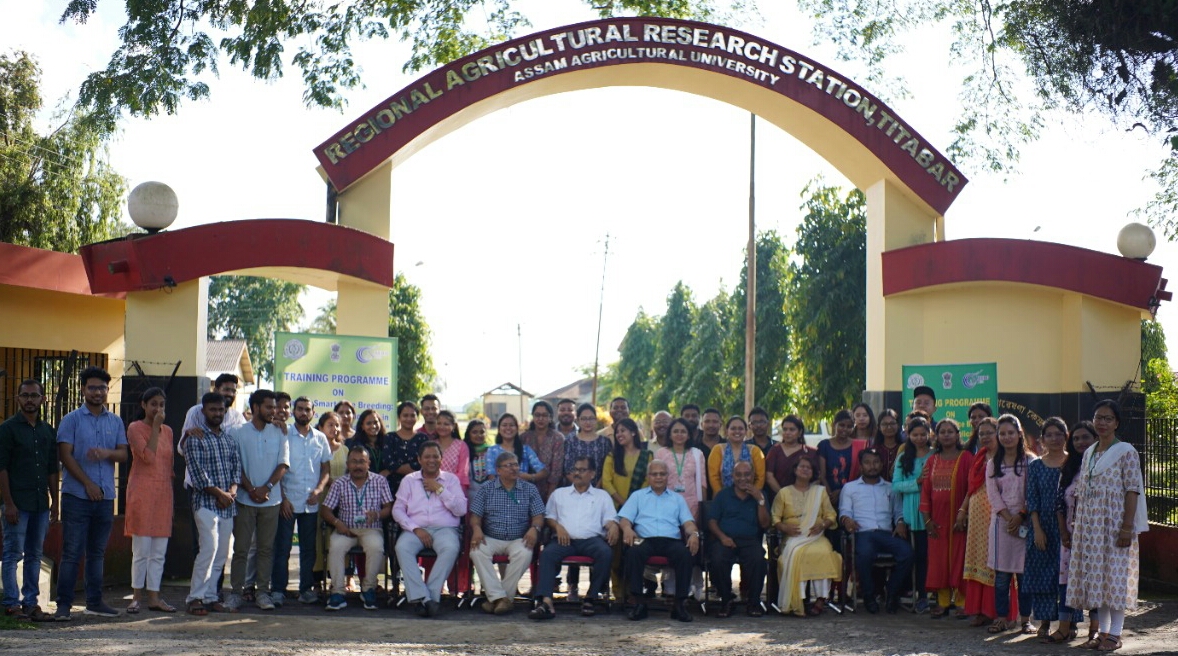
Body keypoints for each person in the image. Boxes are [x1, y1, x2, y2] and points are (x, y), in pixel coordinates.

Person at [1066, 400, 1147, 653]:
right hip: (1090, 527)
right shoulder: (1089, 453)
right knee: (1097, 579)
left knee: (1115, 578)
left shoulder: (1126, 451)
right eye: (1098, 417)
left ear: (1117, 423)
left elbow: (1132, 490)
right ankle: (1102, 631)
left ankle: (1115, 633)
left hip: (1114, 524)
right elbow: (1082, 490)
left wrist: (1126, 528)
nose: (1102, 423)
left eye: (1108, 418)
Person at [54, 366, 128, 620]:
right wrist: (87, 483)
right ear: (83, 389)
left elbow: (123, 453)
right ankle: (63, 605)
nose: (98, 392)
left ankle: (94, 602)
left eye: (102, 388)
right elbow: (65, 455)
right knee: (72, 552)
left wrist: (106, 453)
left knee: (97, 553)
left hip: (105, 497)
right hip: (77, 497)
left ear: (108, 390)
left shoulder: (115, 421)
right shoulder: (71, 419)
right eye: (92, 387)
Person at [528, 456, 618, 620]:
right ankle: (546, 602)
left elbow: (610, 519)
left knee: (605, 553)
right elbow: (549, 517)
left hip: (591, 540)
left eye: (582, 470)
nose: (577, 473)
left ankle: (591, 597)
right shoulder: (559, 494)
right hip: (564, 540)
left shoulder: (601, 496)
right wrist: (557, 527)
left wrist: (612, 526)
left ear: (592, 473)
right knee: (548, 554)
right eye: (575, 469)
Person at [0, 379, 59, 622]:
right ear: (17, 399)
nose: (30, 400)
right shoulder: (8, 429)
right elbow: (1, 469)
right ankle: (11, 604)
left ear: (43, 399)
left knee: (35, 554)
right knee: (13, 554)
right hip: (17, 503)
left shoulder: (47, 431)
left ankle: (31, 603)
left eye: (34, 395)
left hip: (39, 504)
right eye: (25, 395)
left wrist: (55, 501)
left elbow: (51, 469)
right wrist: (8, 503)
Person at [615, 459, 701, 623]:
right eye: (654, 474)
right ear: (648, 477)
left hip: (671, 540)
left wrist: (694, 534)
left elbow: (688, 523)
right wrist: (627, 529)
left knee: (685, 553)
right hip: (644, 539)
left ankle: (679, 604)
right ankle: (639, 603)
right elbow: (624, 519)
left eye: (662, 474)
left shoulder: (677, 499)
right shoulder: (638, 496)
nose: (658, 477)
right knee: (633, 552)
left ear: (668, 476)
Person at [227, 389, 289, 612]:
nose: (274, 411)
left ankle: (263, 593)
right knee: (241, 549)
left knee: (266, 549)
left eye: (275, 407)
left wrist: (267, 488)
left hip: (271, 502)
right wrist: (251, 489)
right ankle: (236, 593)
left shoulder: (281, 432)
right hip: (244, 499)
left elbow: (283, 465)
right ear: (255, 408)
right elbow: (235, 465)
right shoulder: (237, 432)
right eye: (269, 407)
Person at [394, 441, 467, 618]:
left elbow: (461, 510)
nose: (431, 460)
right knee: (401, 548)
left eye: (435, 456)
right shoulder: (409, 480)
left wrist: (440, 489)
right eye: (427, 456)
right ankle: (427, 599)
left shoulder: (451, 480)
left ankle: (427, 598)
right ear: (419, 459)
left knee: (450, 548)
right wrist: (415, 528)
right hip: (415, 529)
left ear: (441, 459)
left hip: (445, 529)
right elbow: (397, 510)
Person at [184, 393, 241, 615]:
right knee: (208, 548)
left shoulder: (228, 440)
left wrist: (232, 492)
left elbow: (236, 469)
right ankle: (195, 598)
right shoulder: (194, 439)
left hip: (227, 505)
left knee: (221, 554)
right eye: (213, 410)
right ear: (203, 412)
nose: (217, 413)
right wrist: (220, 494)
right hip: (205, 503)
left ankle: (210, 597)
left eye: (221, 410)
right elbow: (198, 475)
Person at [469, 451, 545, 615]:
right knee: (477, 551)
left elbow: (538, 515)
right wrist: (476, 529)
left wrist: (535, 528)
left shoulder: (529, 488)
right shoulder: (486, 489)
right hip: (491, 537)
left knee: (524, 553)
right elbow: (475, 515)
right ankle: (502, 599)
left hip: (518, 538)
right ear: (498, 470)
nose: (513, 469)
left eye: (516, 465)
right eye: (508, 465)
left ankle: (496, 599)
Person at [271, 397, 331, 606]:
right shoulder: (283, 434)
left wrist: (319, 489)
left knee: (308, 549)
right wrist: (282, 498)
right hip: (287, 502)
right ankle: (278, 590)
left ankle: (306, 589)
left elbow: (326, 469)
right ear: (293, 412)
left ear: (313, 413)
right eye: (300, 409)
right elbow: (276, 467)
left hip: (311, 502)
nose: (304, 413)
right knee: (282, 548)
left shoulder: (321, 438)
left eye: (307, 410)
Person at [838, 449, 913, 614]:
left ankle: (892, 591)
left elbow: (898, 512)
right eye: (868, 462)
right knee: (864, 555)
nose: (872, 466)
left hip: (886, 533)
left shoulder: (890, 487)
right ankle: (869, 596)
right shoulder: (850, 488)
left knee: (907, 552)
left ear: (881, 464)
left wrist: (900, 522)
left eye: (876, 462)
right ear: (861, 466)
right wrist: (847, 520)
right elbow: (844, 512)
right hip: (863, 533)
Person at [319, 446, 394, 611]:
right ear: (347, 464)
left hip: (371, 528)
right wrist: (338, 523)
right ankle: (337, 592)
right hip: (345, 529)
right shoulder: (339, 483)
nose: (358, 465)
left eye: (362, 461)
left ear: (368, 463)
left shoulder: (380, 481)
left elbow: (389, 507)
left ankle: (368, 589)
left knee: (376, 547)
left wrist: (377, 514)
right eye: (354, 461)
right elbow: (325, 510)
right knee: (336, 546)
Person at [124, 387, 176, 614]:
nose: (158, 408)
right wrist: (155, 428)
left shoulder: (170, 432)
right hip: (142, 494)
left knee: (159, 552)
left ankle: (154, 597)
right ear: (143, 405)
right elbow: (147, 457)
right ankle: (136, 596)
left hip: (163, 494)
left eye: (162, 404)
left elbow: (169, 466)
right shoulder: (135, 428)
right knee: (141, 550)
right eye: (153, 403)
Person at [773, 457, 840, 617]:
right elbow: (775, 517)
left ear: (813, 473)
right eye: (802, 467)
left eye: (808, 468)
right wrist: (784, 527)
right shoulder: (784, 493)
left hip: (816, 536)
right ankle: (800, 599)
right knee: (796, 555)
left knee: (823, 553)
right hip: (792, 537)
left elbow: (831, 514)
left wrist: (823, 525)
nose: (805, 470)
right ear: (795, 470)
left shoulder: (820, 492)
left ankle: (820, 599)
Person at [985, 414, 1034, 633]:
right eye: (1002, 433)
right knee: (1002, 578)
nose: (1006, 437)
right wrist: (1008, 518)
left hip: (1025, 523)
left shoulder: (1030, 461)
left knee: (1025, 577)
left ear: (1019, 434)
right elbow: (993, 495)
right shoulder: (992, 464)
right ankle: (1002, 618)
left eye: (1011, 433)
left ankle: (1025, 620)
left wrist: (1021, 515)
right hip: (1001, 526)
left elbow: (1033, 493)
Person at [1050, 420, 1098, 645]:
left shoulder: (1102, 466)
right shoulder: (1067, 468)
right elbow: (1059, 503)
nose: (1080, 442)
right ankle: (1063, 628)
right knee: (1065, 582)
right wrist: (1063, 533)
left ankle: (1095, 631)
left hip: (1095, 535)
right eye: (1076, 438)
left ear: (1095, 439)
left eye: (1085, 437)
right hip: (1070, 535)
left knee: (1095, 582)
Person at [920, 418, 973, 617]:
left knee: (960, 559)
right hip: (937, 521)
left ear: (958, 435)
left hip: (961, 520)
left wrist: (965, 514)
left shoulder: (967, 457)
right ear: (937, 436)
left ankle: (961, 602)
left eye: (951, 431)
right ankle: (943, 602)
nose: (947, 435)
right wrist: (927, 521)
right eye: (942, 432)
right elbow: (925, 492)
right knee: (939, 561)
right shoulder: (932, 460)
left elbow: (972, 488)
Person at [961, 416, 1010, 627]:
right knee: (978, 560)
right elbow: (971, 488)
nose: (985, 437)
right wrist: (963, 510)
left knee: (998, 563)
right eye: (981, 434)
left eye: (990, 432)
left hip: (998, 514)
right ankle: (980, 610)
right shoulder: (979, 457)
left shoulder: (1006, 458)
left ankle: (1001, 612)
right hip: (976, 517)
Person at [1023, 416, 1069, 638]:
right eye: (1049, 434)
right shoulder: (1036, 466)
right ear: (1041, 439)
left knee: (1068, 575)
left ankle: (1069, 624)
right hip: (1041, 526)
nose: (1054, 438)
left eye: (1058, 434)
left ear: (1065, 437)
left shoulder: (1073, 463)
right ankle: (1044, 623)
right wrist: (1037, 529)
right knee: (1043, 575)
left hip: (1068, 527)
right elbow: (1031, 499)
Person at [654, 418, 707, 602]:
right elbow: (655, 480)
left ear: (689, 434)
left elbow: (702, 483)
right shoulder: (661, 453)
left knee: (691, 545)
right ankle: (670, 587)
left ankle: (695, 585)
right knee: (670, 543)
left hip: (691, 505)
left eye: (683, 431)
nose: (679, 435)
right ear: (669, 434)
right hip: (667, 505)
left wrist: (701, 509)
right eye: (675, 431)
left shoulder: (697, 453)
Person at [708, 461, 770, 617]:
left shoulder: (760, 495)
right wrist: (722, 537)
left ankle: (753, 602)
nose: (743, 478)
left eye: (747, 474)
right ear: (732, 476)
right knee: (717, 559)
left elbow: (765, 524)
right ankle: (726, 600)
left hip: (749, 540)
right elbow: (712, 521)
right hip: (725, 538)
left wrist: (760, 500)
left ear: (753, 475)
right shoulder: (723, 495)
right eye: (739, 474)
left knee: (758, 559)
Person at [601, 418, 653, 600]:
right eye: (617, 432)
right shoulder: (611, 456)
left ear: (633, 432)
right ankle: (618, 593)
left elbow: (648, 483)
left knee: (633, 552)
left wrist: (632, 506)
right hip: (614, 511)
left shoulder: (647, 456)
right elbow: (606, 482)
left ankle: (633, 591)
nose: (619, 434)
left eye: (623, 430)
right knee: (615, 553)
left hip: (639, 513)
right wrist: (623, 502)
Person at [891, 414, 932, 613]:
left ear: (929, 434)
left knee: (930, 556)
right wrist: (917, 483)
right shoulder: (903, 457)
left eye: (923, 434)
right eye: (915, 434)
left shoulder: (934, 455)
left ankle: (930, 594)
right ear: (908, 434)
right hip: (911, 512)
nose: (919, 438)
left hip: (931, 511)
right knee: (916, 556)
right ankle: (919, 594)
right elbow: (896, 486)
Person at [313, 411, 349, 592]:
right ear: (320, 427)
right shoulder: (315, 446)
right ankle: (317, 582)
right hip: (321, 499)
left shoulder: (345, 450)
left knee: (338, 539)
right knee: (318, 540)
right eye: (330, 425)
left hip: (342, 502)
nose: (334, 429)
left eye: (337, 425)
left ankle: (337, 581)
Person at [817, 409, 866, 509]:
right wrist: (830, 495)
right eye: (841, 425)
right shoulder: (824, 445)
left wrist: (842, 492)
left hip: (853, 496)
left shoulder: (859, 446)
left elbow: (861, 474)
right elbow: (822, 475)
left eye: (849, 427)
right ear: (834, 424)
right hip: (827, 495)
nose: (845, 429)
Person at [707, 416, 766, 494]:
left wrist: (753, 494)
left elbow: (760, 478)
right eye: (733, 428)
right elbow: (713, 477)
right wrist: (723, 497)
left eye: (740, 429)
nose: (737, 431)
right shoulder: (718, 450)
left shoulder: (755, 451)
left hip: (749, 498)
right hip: (723, 499)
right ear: (727, 431)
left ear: (745, 431)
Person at [521, 400, 565, 501]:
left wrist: (550, 495)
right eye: (537, 415)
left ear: (550, 418)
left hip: (549, 490)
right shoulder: (524, 438)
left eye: (544, 415)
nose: (540, 418)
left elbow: (556, 470)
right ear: (533, 417)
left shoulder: (557, 438)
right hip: (525, 489)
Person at [563, 403, 612, 487]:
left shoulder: (605, 442)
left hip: (599, 490)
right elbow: (567, 470)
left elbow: (607, 469)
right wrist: (582, 487)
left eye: (591, 418)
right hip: (575, 489)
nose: (588, 422)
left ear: (596, 420)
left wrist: (594, 489)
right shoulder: (570, 441)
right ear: (578, 420)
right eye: (584, 419)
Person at [349, 408, 390, 480]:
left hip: (387, 484)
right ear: (362, 426)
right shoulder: (357, 445)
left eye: (375, 422)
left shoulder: (387, 442)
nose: (373, 426)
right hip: (364, 484)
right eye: (368, 423)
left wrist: (388, 471)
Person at [873, 409, 904, 481]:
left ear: (898, 425)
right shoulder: (874, 449)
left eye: (892, 423)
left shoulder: (905, 448)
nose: (889, 427)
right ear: (879, 427)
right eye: (885, 424)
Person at [464, 420, 492, 497]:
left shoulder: (491, 451)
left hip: (489, 496)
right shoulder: (464, 451)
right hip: (469, 496)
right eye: (474, 432)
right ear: (468, 434)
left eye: (482, 432)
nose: (479, 435)